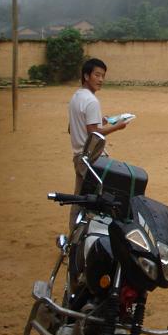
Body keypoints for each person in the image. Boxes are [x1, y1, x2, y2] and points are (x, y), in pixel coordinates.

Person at [68, 59, 127, 226]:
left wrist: (100, 121)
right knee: (100, 200)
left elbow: (74, 126)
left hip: (79, 156)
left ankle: (73, 237)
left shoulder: (76, 97)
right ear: (86, 76)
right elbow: (93, 132)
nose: (100, 79)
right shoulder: (92, 101)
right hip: (91, 158)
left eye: (103, 76)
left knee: (79, 198)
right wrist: (118, 127)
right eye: (97, 75)